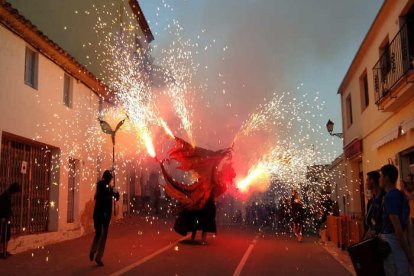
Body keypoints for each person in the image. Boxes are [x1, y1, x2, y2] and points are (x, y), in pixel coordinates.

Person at [379, 164, 413, 276]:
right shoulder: (401, 195)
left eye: (381, 176)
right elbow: (408, 226)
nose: (379, 179)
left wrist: (409, 255)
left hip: (393, 243)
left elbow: (397, 230)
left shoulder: (390, 197)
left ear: (387, 178)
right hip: (401, 242)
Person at [89, 170, 120, 266]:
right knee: (99, 233)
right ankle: (93, 251)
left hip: (106, 214)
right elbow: (105, 192)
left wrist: (116, 192)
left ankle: (98, 257)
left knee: (103, 235)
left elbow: (117, 196)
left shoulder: (109, 187)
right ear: (107, 178)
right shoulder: (101, 185)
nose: (110, 180)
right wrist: (113, 190)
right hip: (100, 213)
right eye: (110, 178)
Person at [0, 182, 21, 259]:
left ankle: (5, 251)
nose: (16, 194)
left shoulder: (8, 195)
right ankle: (2, 252)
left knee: (7, 235)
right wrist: (3, 217)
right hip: (3, 219)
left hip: (7, 219)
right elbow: (2, 207)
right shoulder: (4, 196)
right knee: (3, 235)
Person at [364, 170, 385, 238]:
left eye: (367, 180)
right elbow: (371, 219)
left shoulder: (384, 198)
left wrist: (376, 230)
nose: (366, 183)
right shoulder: (371, 202)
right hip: (373, 236)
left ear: (372, 181)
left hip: (382, 237)